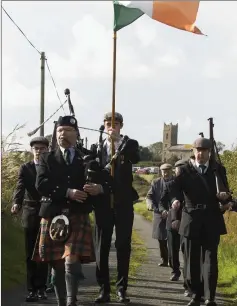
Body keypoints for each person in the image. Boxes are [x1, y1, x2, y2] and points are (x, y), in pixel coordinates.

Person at [32, 115, 109, 306]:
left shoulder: (87, 158)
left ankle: (71, 302)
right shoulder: (46, 158)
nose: (61, 134)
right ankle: (62, 302)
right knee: (57, 263)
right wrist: (68, 192)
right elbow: (41, 184)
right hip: (53, 214)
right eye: (59, 130)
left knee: (70, 260)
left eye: (66, 130)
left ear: (76, 133)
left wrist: (96, 188)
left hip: (77, 214)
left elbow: (103, 180)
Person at [169, 138, 230, 306]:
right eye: (198, 150)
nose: (200, 153)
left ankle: (210, 297)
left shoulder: (218, 170)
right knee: (192, 261)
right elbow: (174, 189)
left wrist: (225, 196)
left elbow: (226, 191)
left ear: (209, 152)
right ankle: (196, 296)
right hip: (191, 219)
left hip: (212, 218)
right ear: (193, 152)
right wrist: (175, 200)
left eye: (204, 150)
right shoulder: (184, 171)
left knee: (211, 260)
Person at [93, 111, 140, 303]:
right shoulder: (96, 147)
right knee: (101, 247)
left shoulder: (130, 144)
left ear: (121, 126)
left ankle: (122, 288)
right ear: (103, 125)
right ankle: (103, 289)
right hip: (103, 203)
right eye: (108, 124)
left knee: (122, 246)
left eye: (115, 124)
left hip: (123, 203)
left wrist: (117, 143)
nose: (111, 127)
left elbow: (135, 158)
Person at [11, 136, 49, 302]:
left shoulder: (51, 168)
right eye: (36, 148)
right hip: (30, 211)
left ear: (47, 150)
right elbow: (20, 187)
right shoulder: (25, 168)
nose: (39, 151)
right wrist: (16, 203)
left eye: (42, 148)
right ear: (32, 150)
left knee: (44, 251)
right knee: (30, 253)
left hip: (47, 211)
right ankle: (32, 289)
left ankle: (42, 288)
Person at [146, 163, 174, 268]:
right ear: (160, 171)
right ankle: (164, 259)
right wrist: (151, 205)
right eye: (163, 171)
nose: (166, 173)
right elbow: (149, 196)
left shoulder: (176, 182)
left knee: (172, 239)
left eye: (168, 171)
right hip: (159, 213)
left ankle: (173, 261)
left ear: (172, 171)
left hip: (173, 214)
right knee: (161, 238)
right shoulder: (156, 182)